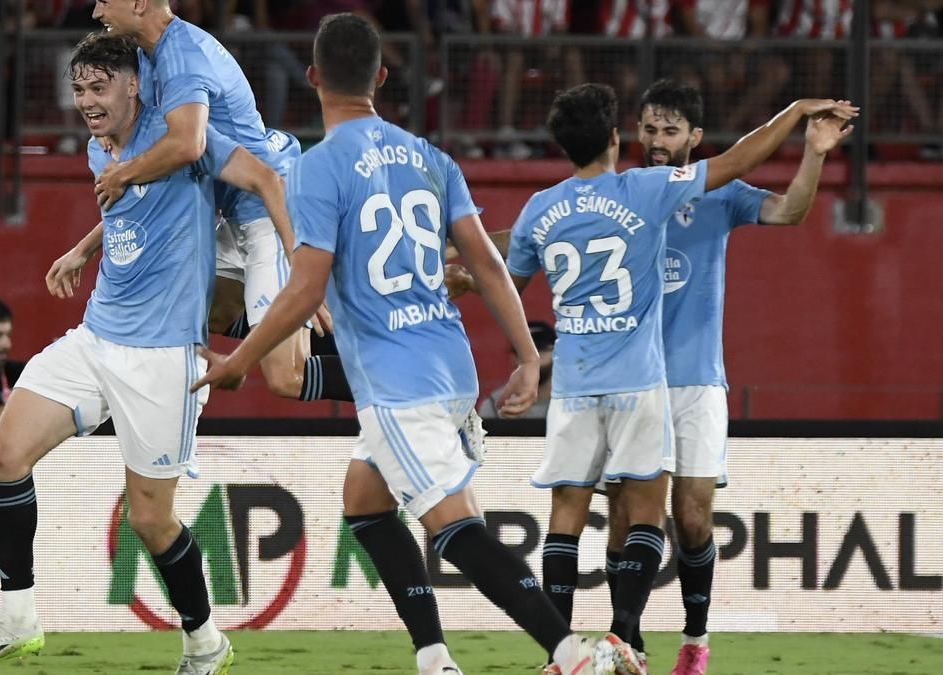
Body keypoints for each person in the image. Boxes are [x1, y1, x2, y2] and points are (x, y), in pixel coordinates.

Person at [194, 14, 601, 675]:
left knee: (453, 525)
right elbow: (486, 265)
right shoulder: (432, 159)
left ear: (314, 79)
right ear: (382, 78)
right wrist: (526, 354)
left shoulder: (317, 169)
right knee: (366, 499)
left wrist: (240, 358)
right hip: (450, 362)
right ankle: (435, 656)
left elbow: (303, 293)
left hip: (394, 380)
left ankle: (571, 653)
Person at [0, 33, 287, 674]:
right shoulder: (99, 149)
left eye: (98, 87)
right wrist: (83, 248)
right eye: (78, 90)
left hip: (164, 359)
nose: (86, 102)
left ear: (135, 86)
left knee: (151, 521)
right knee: (3, 453)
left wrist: (299, 273)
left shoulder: (186, 138)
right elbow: (133, 204)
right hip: (96, 337)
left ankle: (205, 642)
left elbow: (265, 177)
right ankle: (18, 619)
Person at [505, 82, 857, 674]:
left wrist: (814, 151)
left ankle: (694, 639)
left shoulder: (715, 194)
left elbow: (790, 210)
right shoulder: (634, 193)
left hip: (690, 380)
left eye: (670, 131)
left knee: (691, 517)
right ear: (628, 133)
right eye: (648, 128)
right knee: (626, 516)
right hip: (634, 377)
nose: (657, 140)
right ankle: (630, 641)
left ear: (695, 137)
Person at [91, 0, 352, 405]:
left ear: (139, 2)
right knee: (190, 299)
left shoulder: (182, 57)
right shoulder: (147, 56)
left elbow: (187, 145)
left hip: (270, 210)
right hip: (234, 211)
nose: (95, 12)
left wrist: (303, 274)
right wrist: (84, 248)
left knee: (287, 376)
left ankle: (414, 389)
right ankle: (302, 327)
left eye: (104, 0)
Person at [478, 320, 554, 420]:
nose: (535, 359)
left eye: (541, 349)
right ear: (514, 357)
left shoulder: (573, 403)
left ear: (556, 353)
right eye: (523, 353)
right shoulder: (495, 406)